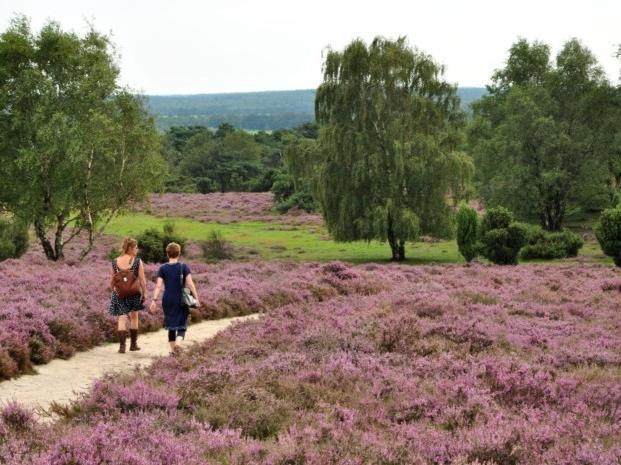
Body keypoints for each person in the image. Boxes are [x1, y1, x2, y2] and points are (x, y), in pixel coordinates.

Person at [149, 242, 200, 354]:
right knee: (182, 324)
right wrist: (196, 298)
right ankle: (178, 342)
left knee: (171, 325)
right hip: (181, 300)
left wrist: (154, 300)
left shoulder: (162, 268)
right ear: (179, 254)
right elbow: (190, 284)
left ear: (167, 254)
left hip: (167, 299)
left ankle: (173, 352)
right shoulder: (184, 267)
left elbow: (158, 286)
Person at [109, 237, 146, 353]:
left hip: (119, 293)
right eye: (136, 247)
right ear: (130, 248)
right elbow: (142, 279)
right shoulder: (137, 261)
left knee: (122, 318)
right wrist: (144, 293)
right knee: (134, 316)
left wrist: (113, 291)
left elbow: (112, 280)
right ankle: (133, 345)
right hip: (134, 293)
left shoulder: (115, 261)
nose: (137, 249)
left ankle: (122, 347)